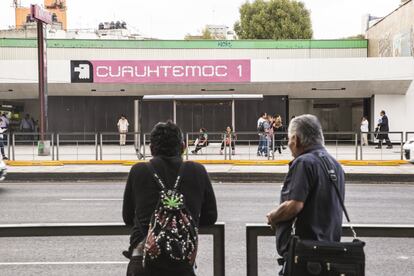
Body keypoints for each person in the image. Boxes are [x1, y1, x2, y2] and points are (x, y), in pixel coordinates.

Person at [122, 121, 217, 276]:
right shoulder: (197, 171)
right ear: (183, 147)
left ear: (152, 149)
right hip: (181, 261)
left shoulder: (138, 171)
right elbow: (211, 217)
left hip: (143, 260)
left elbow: (127, 217)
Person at [266, 114, 345, 276]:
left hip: (305, 255)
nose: (288, 144)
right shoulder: (335, 165)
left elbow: (294, 205)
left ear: (295, 139)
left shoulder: (304, 162)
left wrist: (273, 216)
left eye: (289, 139)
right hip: (328, 251)